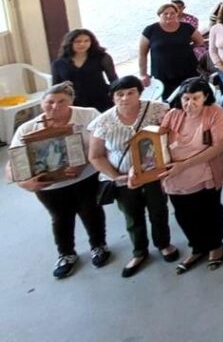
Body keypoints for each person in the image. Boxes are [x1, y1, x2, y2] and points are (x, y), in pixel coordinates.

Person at [7, 83, 108, 278]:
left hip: (85, 177)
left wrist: (84, 161)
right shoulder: (27, 129)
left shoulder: (88, 115)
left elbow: (104, 144)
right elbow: (13, 164)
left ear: (71, 101)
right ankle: (66, 254)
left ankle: (98, 246)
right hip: (49, 186)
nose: (55, 106)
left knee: (91, 210)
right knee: (60, 217)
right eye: (49, 102)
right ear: (42, 103)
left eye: (62, 101)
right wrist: (24, 183)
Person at [87, 76, 176, 277]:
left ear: (139, 92)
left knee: (158, 209)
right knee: (132, 214)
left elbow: (173, 133)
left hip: (154, 173)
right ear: (112, 97)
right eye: (120, 94)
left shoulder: (158, 109)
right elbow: (96, 155)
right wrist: (116, 177)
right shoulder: (103, 122)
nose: (125, 98)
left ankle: (164, 244)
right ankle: (139, 251)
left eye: (130, 92)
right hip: (123, 177)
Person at [160, 78, 223, 273]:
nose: (189, 103)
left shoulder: (214, 112)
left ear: (205, 97)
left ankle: (216, 246)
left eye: (195, 98)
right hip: (175, 176)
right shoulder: (173, 115)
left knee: (209, 210)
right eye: (186, 98)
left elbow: (220, 145)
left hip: (205, 172)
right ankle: (197, 247)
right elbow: (158, 140)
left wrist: (184, 164)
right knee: (183, 214)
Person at [138, 3, 204, 99]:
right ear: (159, 15)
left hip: (188, 70)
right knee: (170, 101)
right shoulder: (150, 30)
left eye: (172, 13)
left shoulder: (186, 27)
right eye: (165, 13)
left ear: (177, 14)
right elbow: (142, 54)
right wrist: (143, 74)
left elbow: (199, 41)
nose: (169, 15)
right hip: (163, 73)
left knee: (194, 97)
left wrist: (186, 49)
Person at [52, 29, 117, 111]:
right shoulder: (58, 63)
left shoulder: (102, 57)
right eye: (78, 41)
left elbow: (113, 79)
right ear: (70, 43)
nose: (82, 44)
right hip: (75, 103)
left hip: (101, 99)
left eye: (86, 41)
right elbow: (56, 87)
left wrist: (117, 96)